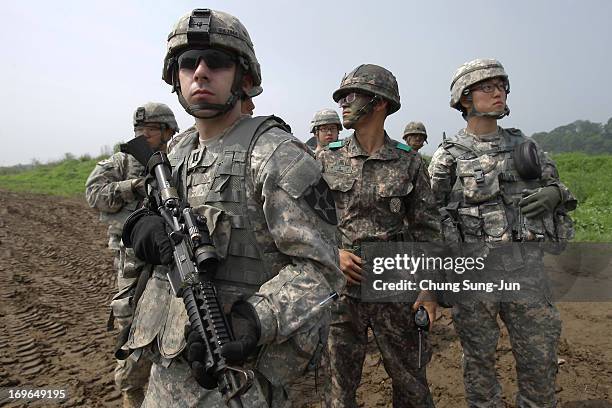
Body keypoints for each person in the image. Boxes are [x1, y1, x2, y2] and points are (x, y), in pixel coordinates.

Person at [118, 8, 344, 407]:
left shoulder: (278, 156)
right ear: (176, 78)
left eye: (217, 62)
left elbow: (323, 272)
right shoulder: (178, 150)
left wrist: (253, 319)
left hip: (242, 376)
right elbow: (153, 211)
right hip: (170, 369)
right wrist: (142, 229)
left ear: (246, 79)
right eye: (188, 63)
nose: (200, 72)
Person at [428, 58, 576, 408]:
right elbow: (429, 220)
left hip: (527, 273)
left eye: (502, 87)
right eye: (488, 87)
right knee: (479, 363)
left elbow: (558, 188)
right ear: (465, 98)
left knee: (540, 359)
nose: (499, 93)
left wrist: (556, 193)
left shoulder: (525, 146)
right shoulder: (448, 157)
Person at [317, 64, 441, 408]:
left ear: (380, 103)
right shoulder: (325, 158)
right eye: (341, 97)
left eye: (351, 96)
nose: (343, 103)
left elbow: (428, 230)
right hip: (342, 292)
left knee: (412, 385)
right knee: (338, 391)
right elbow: (306, 222)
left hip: (396, 290)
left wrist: (429, 289)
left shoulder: (409, 163)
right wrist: (333, 253)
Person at [85, 102, 179, 408]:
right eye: (139, 129)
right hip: (133, 260)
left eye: (150, 129)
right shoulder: (121, 161)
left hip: (174, 254)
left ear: (168, 130)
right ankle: (130, 388)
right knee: (134, 323)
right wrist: (134, 187)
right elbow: (94, 194)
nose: (143, 134)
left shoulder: (182, 156)